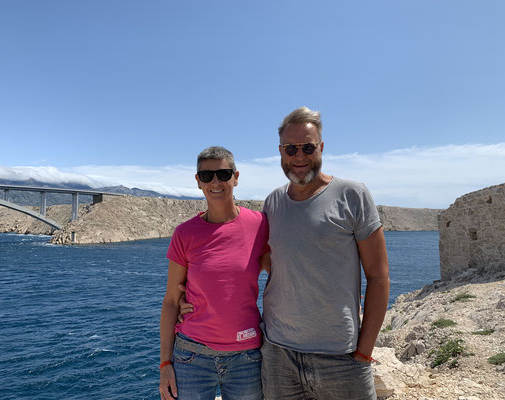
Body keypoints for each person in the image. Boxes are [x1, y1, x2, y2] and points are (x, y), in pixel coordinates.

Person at [260, 106, 390, 399]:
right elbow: (265, 260)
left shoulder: (352, 195)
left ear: (321, 147)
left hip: (340, 358)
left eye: (307, 147)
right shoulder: (272, 203)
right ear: (281, 151)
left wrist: (364, 351)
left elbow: (379, 277)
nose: (299, 156)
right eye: (291, 148)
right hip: (279, 354)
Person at [159, 146, 269, 400]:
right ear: (198, 182)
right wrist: (165, 364)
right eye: (207, 176)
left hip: (247, 357)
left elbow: (284, 276)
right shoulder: (185, 234)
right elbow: (171, 301)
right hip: (191, 356)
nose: (215, 182)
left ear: (236, 177)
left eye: (223, 174)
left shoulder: (260, 225)